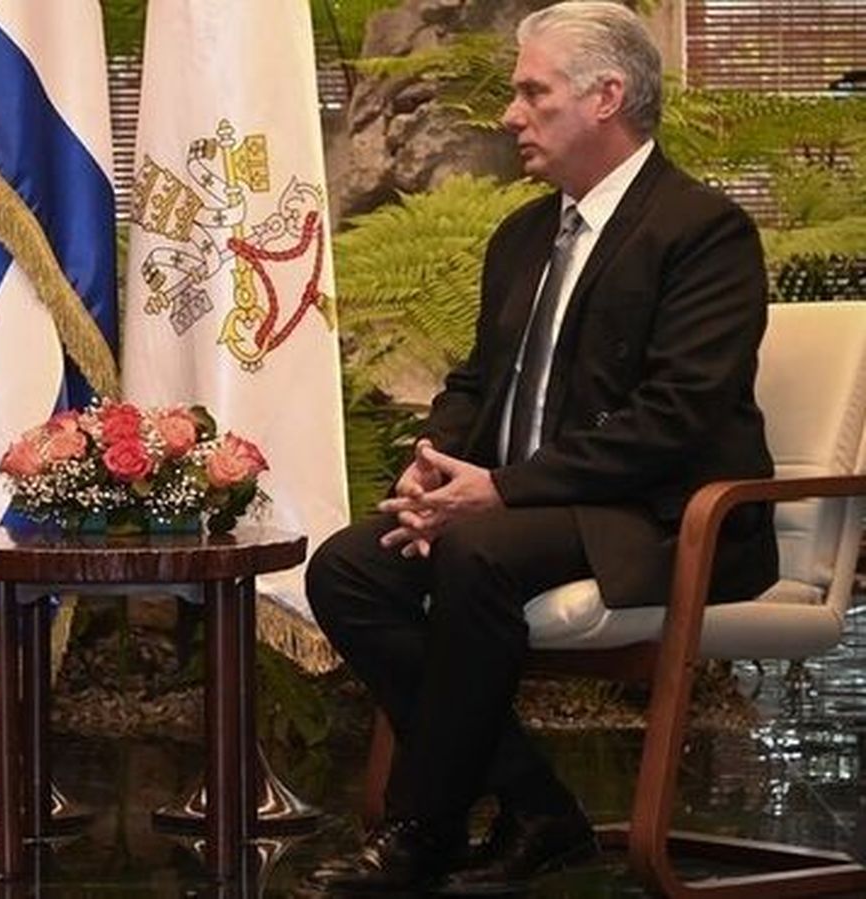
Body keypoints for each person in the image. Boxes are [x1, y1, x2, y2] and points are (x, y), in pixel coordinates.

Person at [301, 2, 777, 894]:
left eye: (531, 92)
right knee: (349, 567)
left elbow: (673, 417)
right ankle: (539, 807)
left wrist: (503, 490)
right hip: (528, 507)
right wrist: (435, 457)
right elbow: (477, 382)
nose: (509, 114)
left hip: (661, 517)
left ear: (606, 96)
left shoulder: (702, 231)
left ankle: (423, 830)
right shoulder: (523, 234)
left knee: (478, 548)